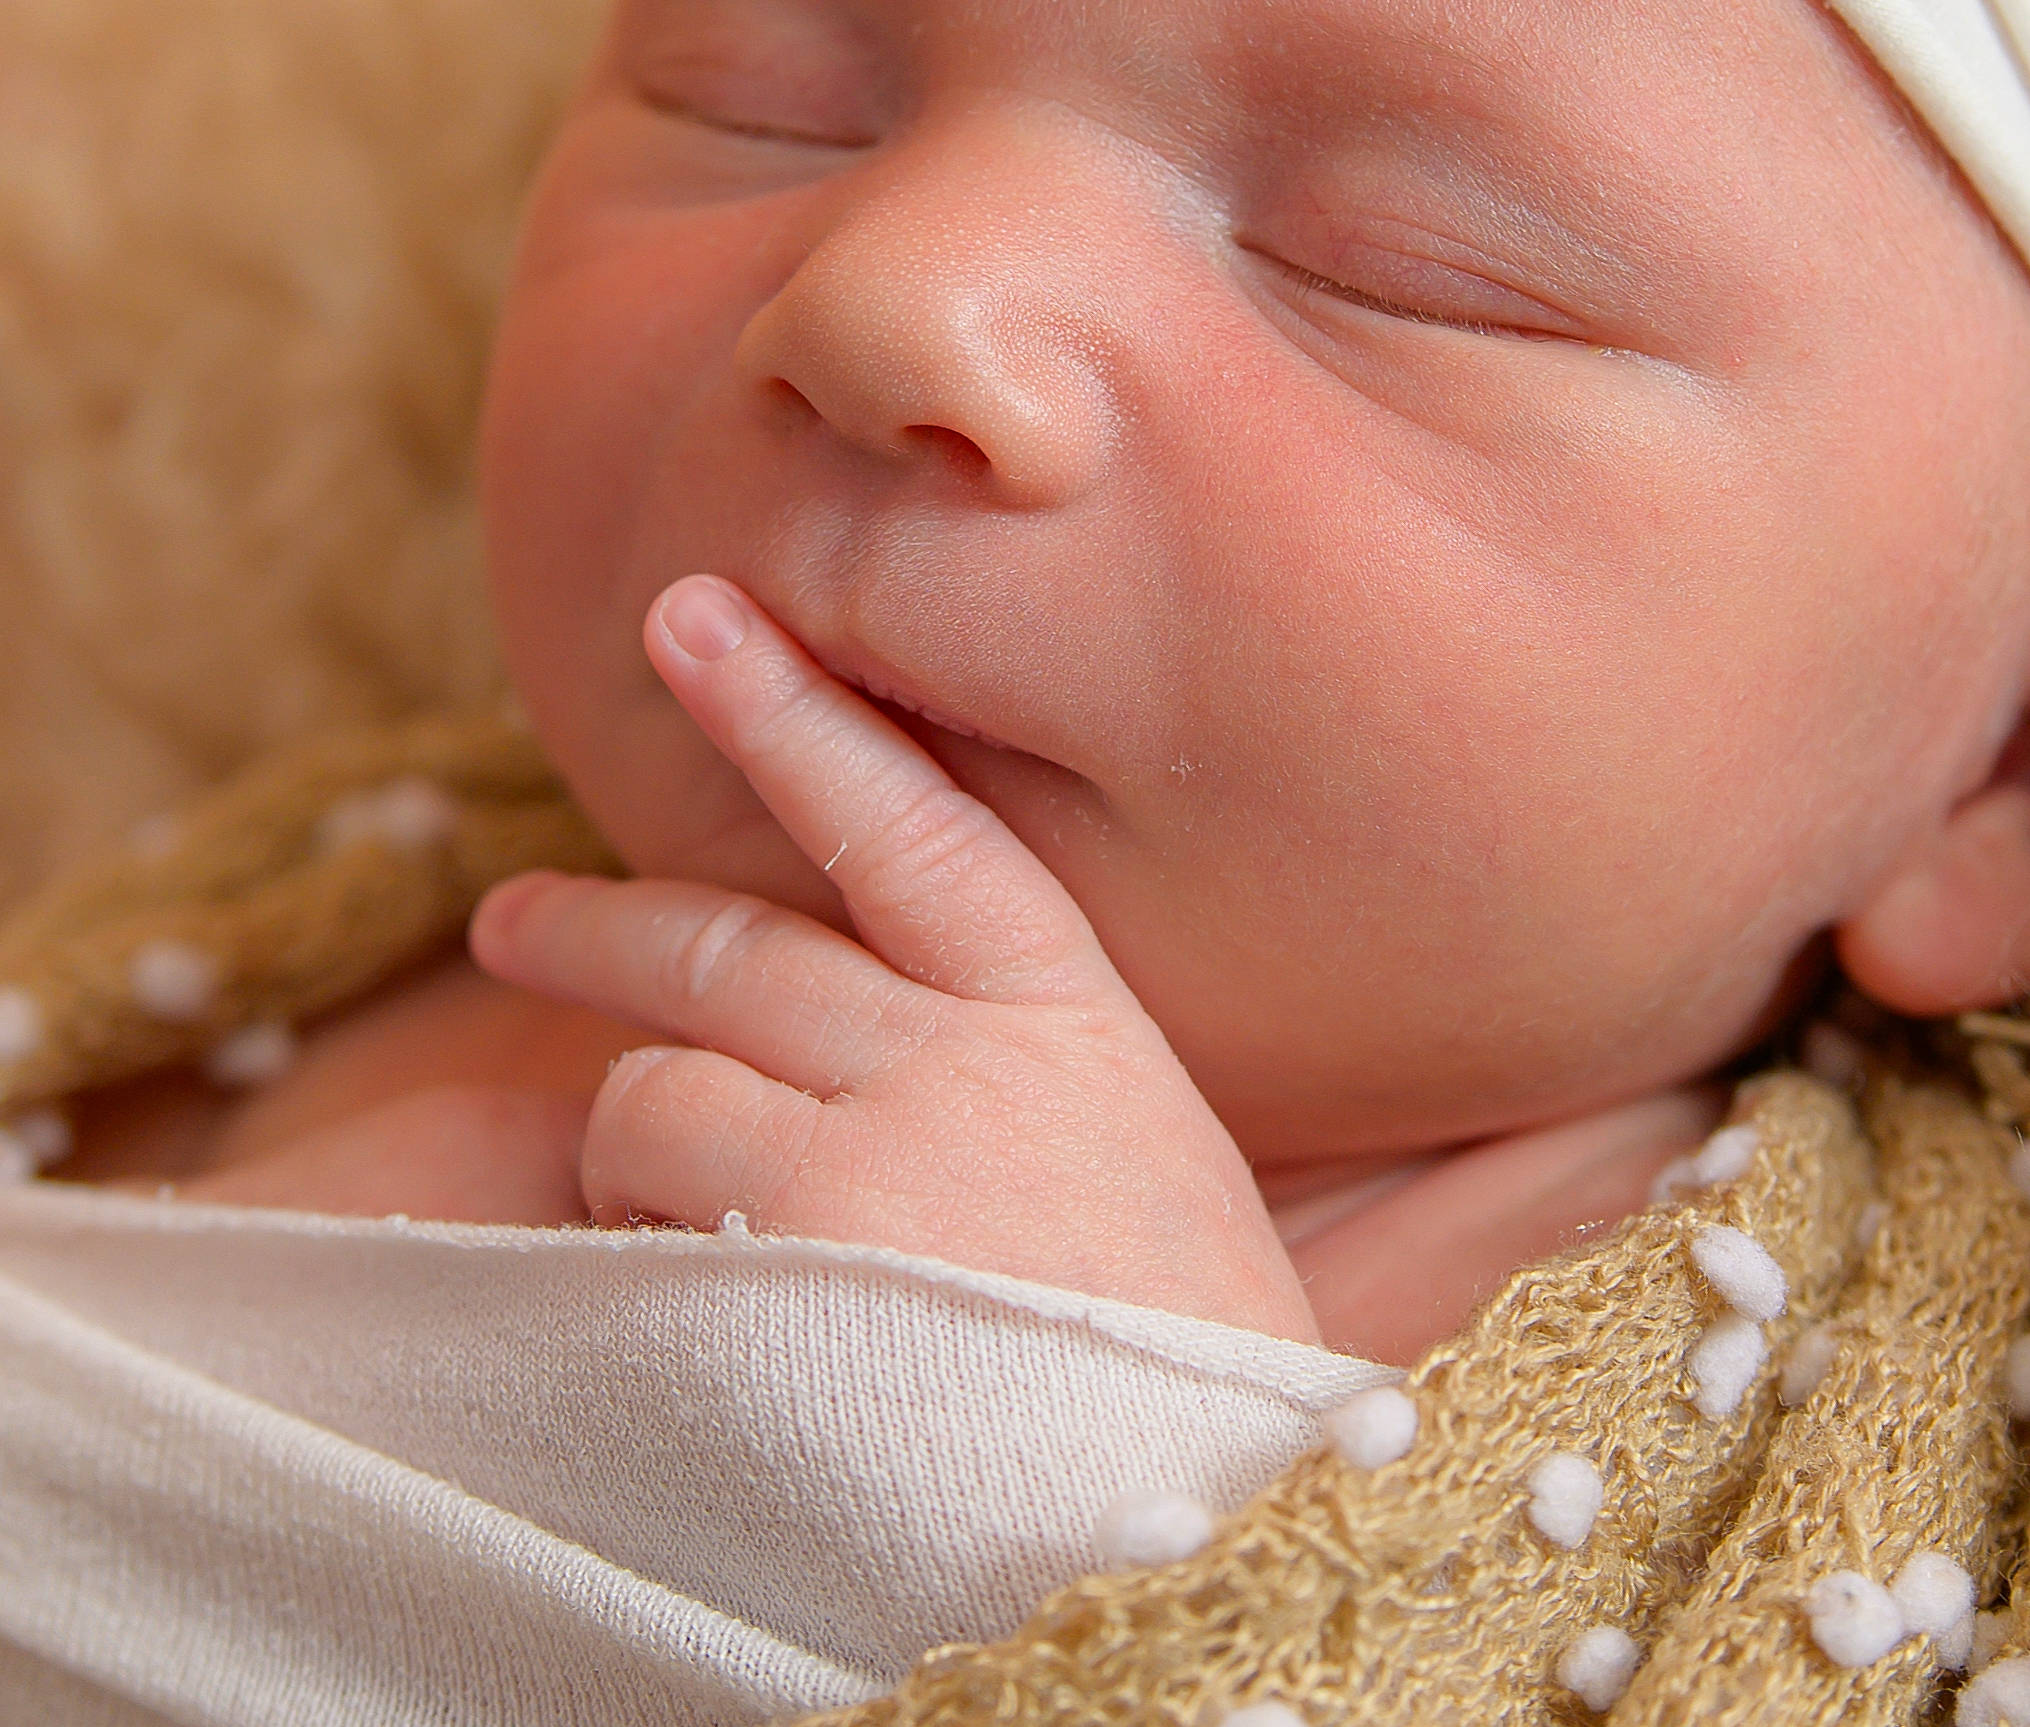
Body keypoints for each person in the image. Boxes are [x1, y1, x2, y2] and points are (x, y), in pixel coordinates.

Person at [6, 0, 2030, 1720]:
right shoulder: (322, 905)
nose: (890, 304)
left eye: (1402, 269)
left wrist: (1087, 1469)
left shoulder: (1833, 1447)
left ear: (1997, 773)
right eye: (754, 88)